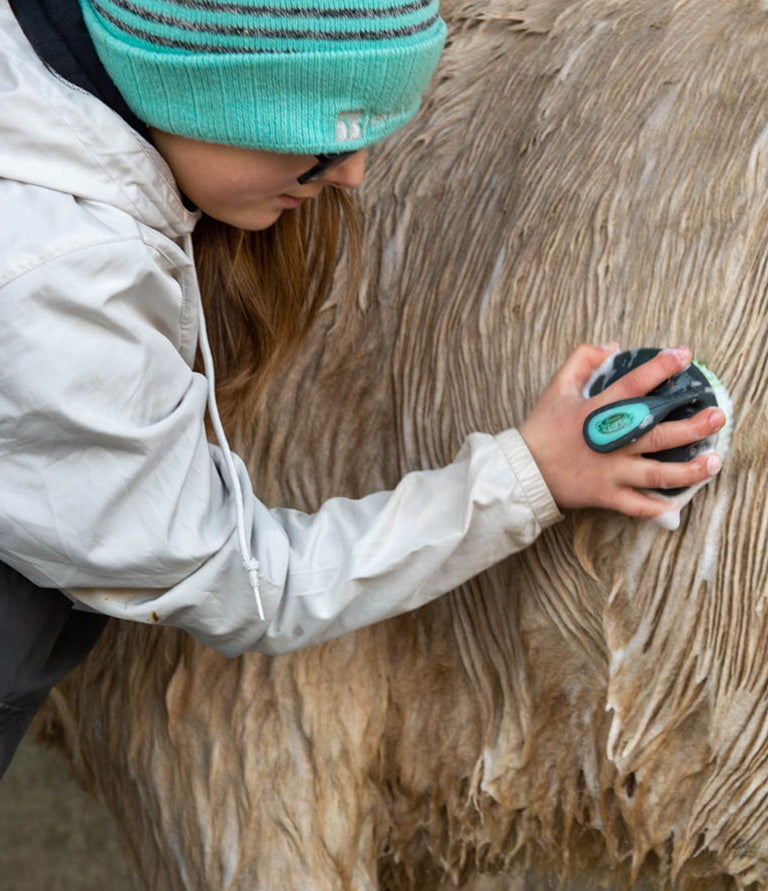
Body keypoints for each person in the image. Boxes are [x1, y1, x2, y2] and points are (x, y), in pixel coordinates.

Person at [0, 0, 726, 777]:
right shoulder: (62, 282)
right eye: (319, 140)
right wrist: (526, 478)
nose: (352, 174)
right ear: (194, 89)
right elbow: (230, 575)